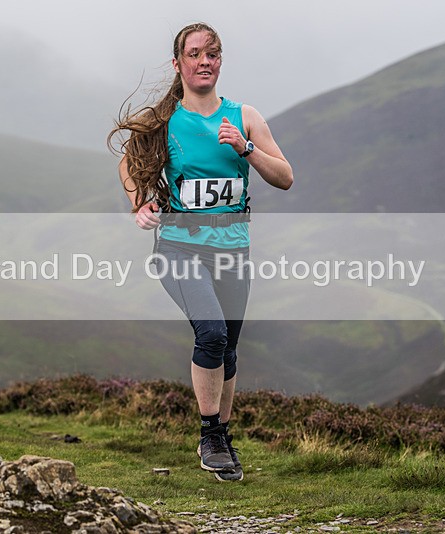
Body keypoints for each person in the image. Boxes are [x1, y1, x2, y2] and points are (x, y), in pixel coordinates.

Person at [108, 22, 293, 481]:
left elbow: (285, 176)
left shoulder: (244, 116)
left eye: (212, 53)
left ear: (220, 61)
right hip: (179, 247)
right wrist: (140, 202)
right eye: (194, 54)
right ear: (179, 64)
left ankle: (222, 440)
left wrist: (245, 147)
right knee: (210, 334)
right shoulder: (164, 121)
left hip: (233, 252)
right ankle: (209, 433)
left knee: (228, 350)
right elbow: (127, 164)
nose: (204, 61)